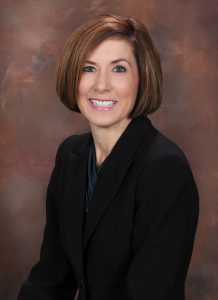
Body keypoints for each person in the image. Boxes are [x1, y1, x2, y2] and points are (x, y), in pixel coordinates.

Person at [17, 14, 199, 300]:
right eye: (89, 68)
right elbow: (51, 278)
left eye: (119, 69)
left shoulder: (164, 169)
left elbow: (152, 293)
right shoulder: (70, 155)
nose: (101, 85)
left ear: (142, 77)